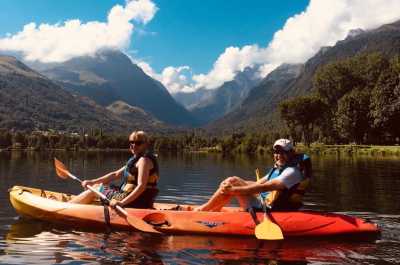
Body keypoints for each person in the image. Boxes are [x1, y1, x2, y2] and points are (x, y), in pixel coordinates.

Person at [194, 139, 306, 212]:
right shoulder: (279, 169)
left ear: (292, 153)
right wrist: (232, 185)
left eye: (284, 152)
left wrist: (233, 189)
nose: (279, 155)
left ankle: (203, 210)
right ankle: (215, 209)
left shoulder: (291, 172)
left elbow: (263, 188)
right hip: (263, 202)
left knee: (232, 182)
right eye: (276, 151)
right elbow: (257, 184)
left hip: (266, 208)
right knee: (232, 180)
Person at [68, 131, 159, 209]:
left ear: (145, 144)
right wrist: (92, 181)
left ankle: (67, 207)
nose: (134, 145)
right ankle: (83, 202)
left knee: (93, 190)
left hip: (136, 201)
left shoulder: (143, 161)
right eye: (131, 142)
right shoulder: (136, 160)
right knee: (99, 185)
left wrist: (122, 203)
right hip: (134, 197)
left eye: (138, 143)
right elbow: (115, 174)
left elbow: (141, 187)